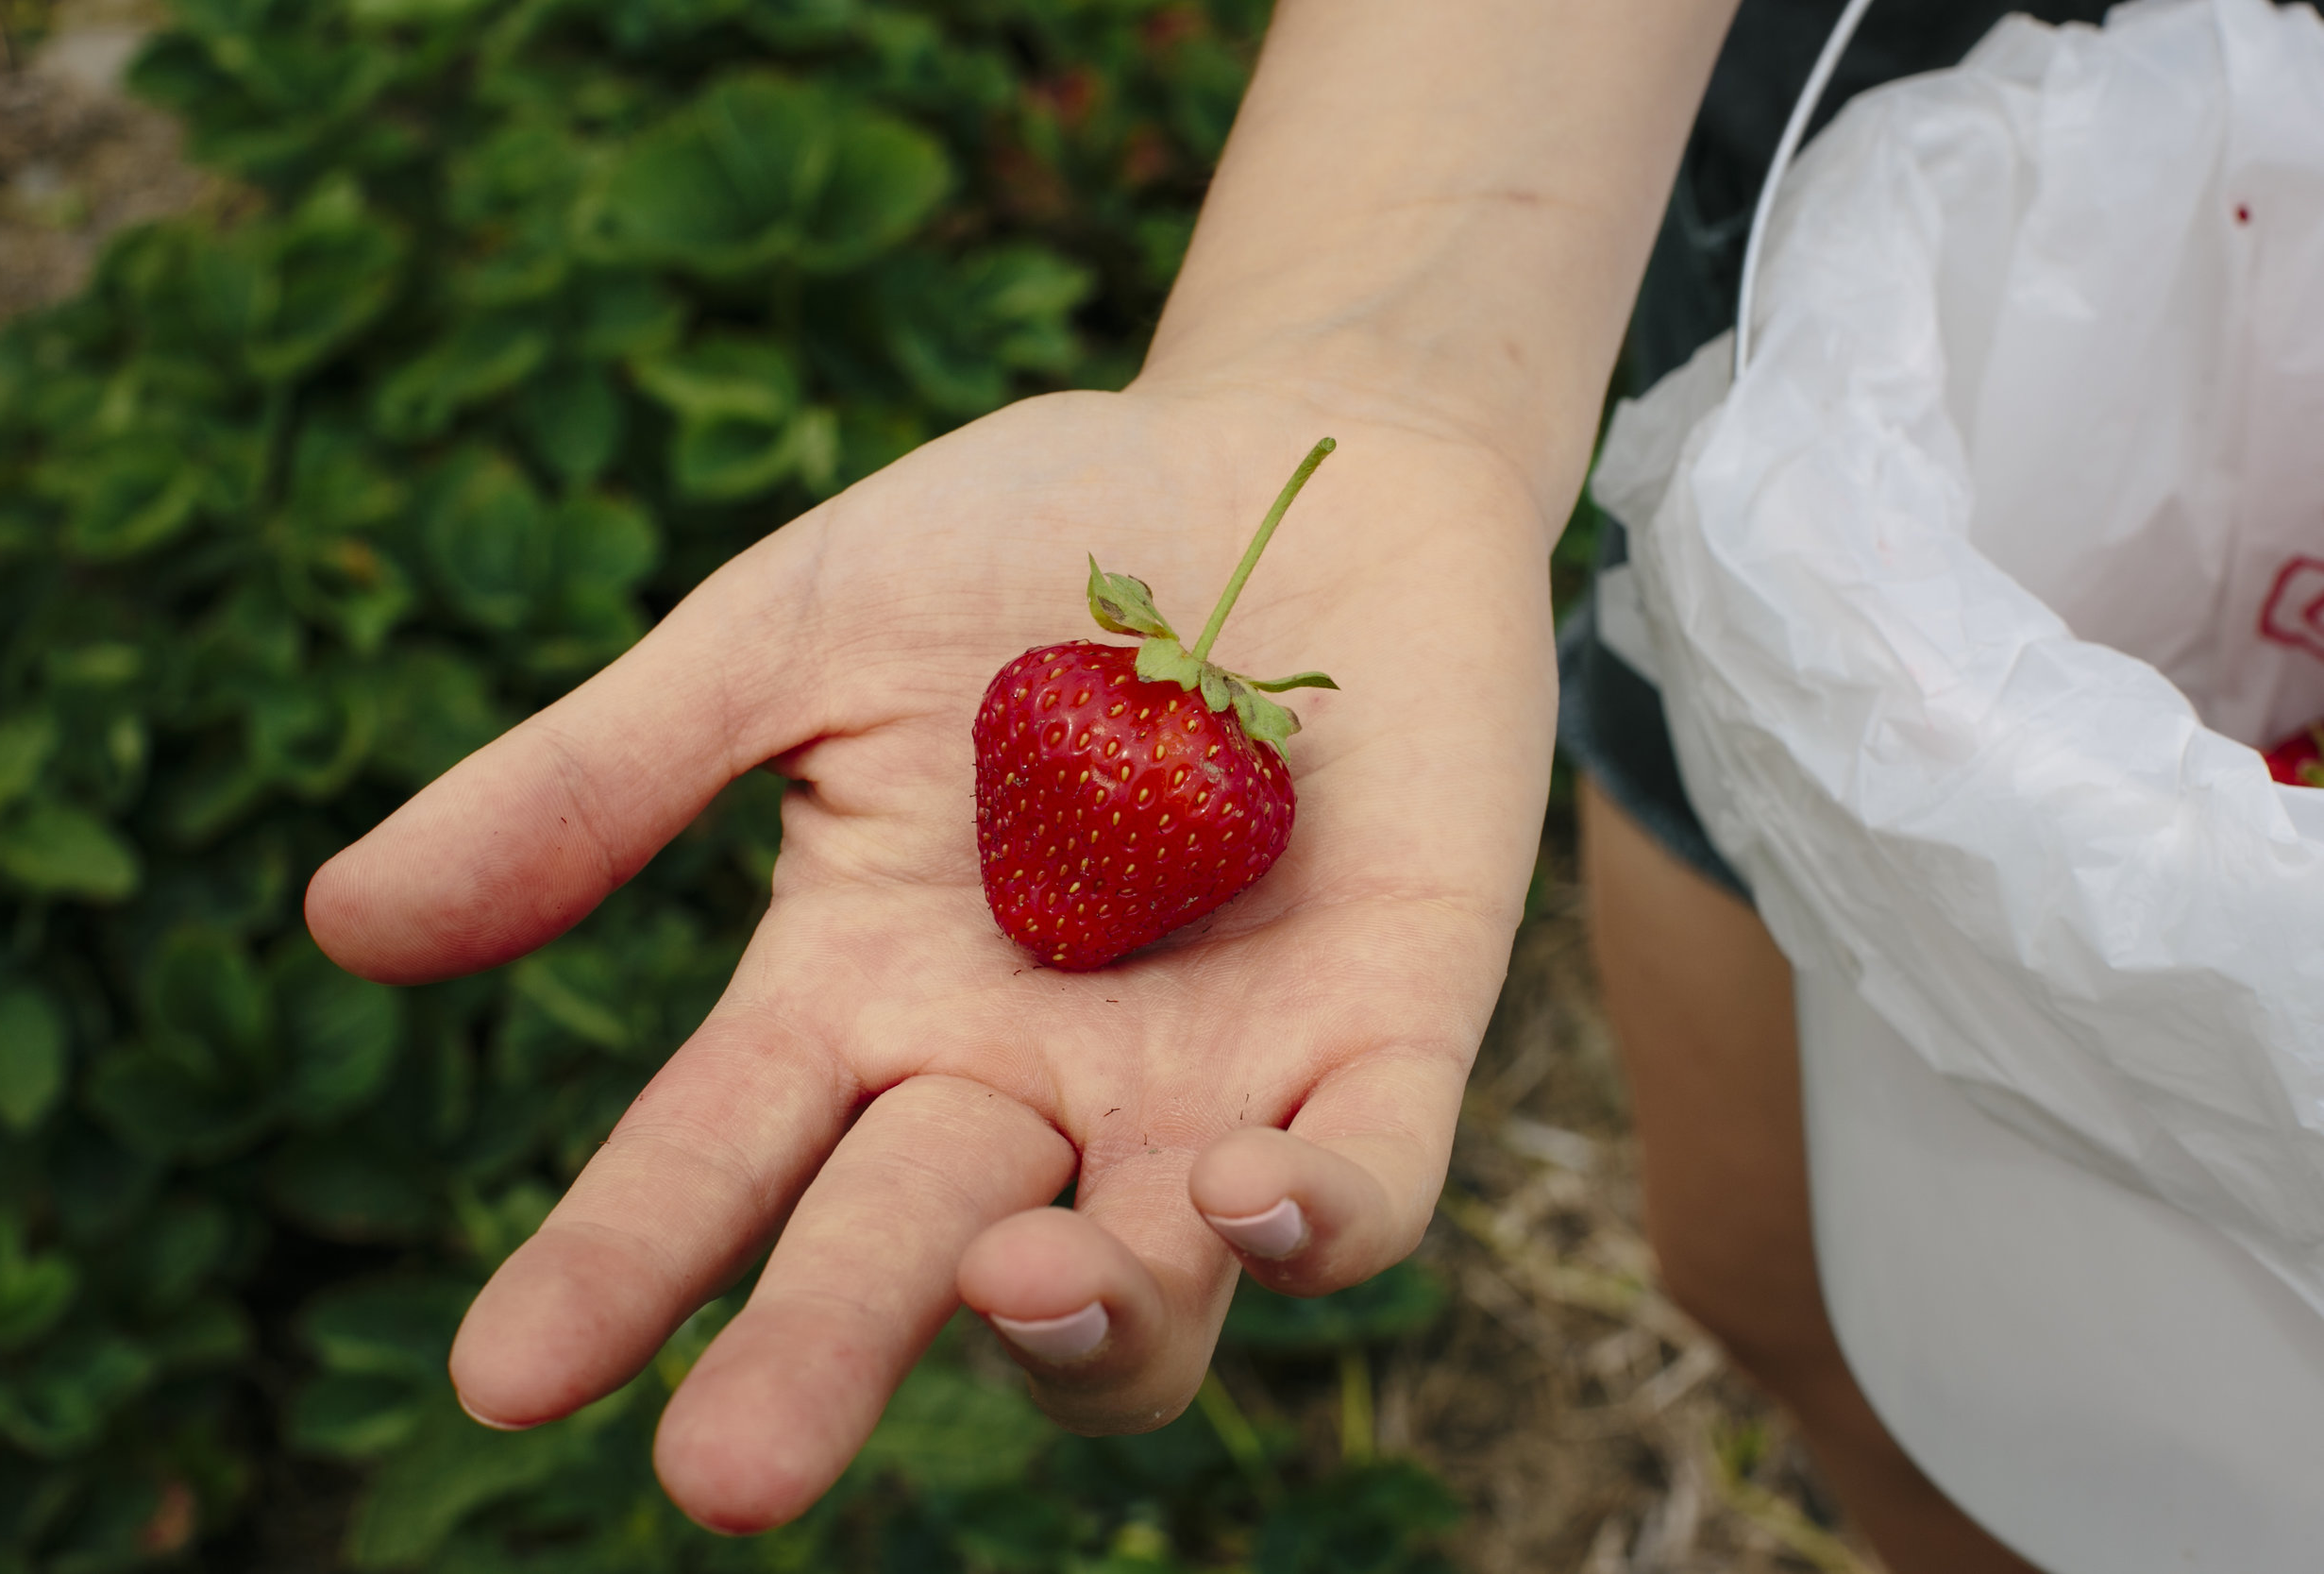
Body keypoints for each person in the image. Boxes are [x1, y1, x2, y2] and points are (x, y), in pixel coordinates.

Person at [305, 2, 2100, 1568]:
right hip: (1852, 329)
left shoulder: (1169, 779)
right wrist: (1370, 368)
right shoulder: (1178, 748)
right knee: (1780, 1276)